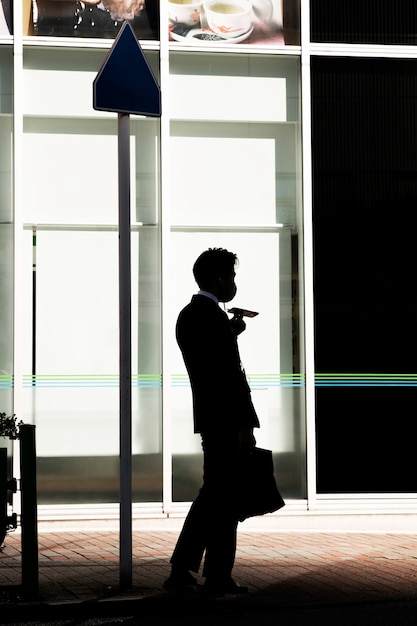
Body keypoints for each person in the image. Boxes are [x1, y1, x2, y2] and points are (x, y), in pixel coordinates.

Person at [164, 247, 260, 598]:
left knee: (216, 495)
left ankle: (189, 569)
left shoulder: (191, 315)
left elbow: (207, 362)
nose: (233, 283)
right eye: (231, 276)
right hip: (225, 420)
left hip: (212, 418)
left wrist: (230, 331)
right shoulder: (210, 318)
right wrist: (244, 426)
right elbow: (227, 376)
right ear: (219, 278)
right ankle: (212, 573)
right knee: (223, 498)